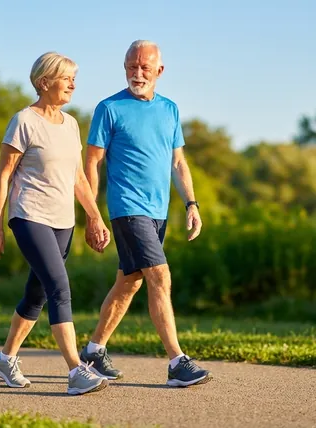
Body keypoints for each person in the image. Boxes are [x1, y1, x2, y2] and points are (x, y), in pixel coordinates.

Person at [79, 40, 212, 387]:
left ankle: (93, 351)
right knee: (160, 276)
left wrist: (192, 203)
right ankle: (177, 363)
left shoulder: (170, 110)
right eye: (131, 67)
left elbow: (178, 162)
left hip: (158, 211)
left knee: (130, 282)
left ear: (159, 71)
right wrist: (93, 214)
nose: (137, 74)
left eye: (144, 68)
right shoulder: (109, 108)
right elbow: (91, 162)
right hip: (127, 207)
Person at [0, 51, 112, 396]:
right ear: (44, 82)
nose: (73, 84)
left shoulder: (70, 124)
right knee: (59, 287)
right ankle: (76, 370)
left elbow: (78, 179)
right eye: (66, 78)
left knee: (37, 293)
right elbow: (4, 176)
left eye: (74, 78)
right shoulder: (23, 121)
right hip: (29, 215)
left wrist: (95, 217)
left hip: (63, 221)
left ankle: (5, 358)